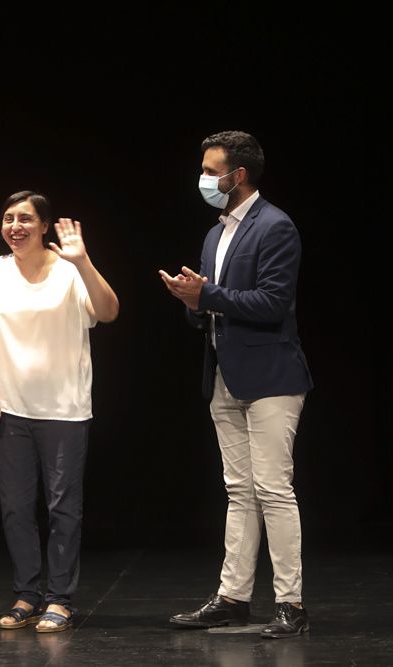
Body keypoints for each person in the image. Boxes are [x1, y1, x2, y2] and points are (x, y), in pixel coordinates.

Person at [159, 131, 313, 638]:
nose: (204, 179)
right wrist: (192, 302)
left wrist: (208, 296)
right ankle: (233, 597)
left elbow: (272, 304)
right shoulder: (214, 234)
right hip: (225, 375)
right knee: (239, 491)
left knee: (273, 488)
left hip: (271, 376)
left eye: (211, 170)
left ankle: (290, 602)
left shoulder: (275, 226)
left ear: (237, 175)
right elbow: (212, 309)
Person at [0, 192, 118, 633]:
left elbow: (109, 312)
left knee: (62, 508)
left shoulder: (70, 272)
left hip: (65, 408)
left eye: (25, 219)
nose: (15, 226)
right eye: (8, 217)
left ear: (43, 226)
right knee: (16, 508)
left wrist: (84, 261)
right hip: (11, 409)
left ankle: (60, 598)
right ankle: (27, 593)